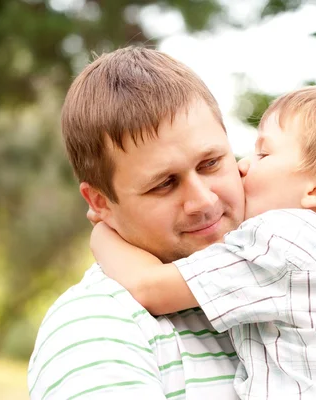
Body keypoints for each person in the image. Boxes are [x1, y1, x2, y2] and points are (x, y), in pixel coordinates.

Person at [90, 86, 316, 399]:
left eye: (263, 153)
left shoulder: (284, 242)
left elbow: (148, 288)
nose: (244, 165)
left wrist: (106, 227)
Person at [28, 46, 247, 399]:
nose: (204, 201)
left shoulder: (292, 264)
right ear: (101, 203)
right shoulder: (95, 328)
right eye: (164, 184)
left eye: (211, 163)